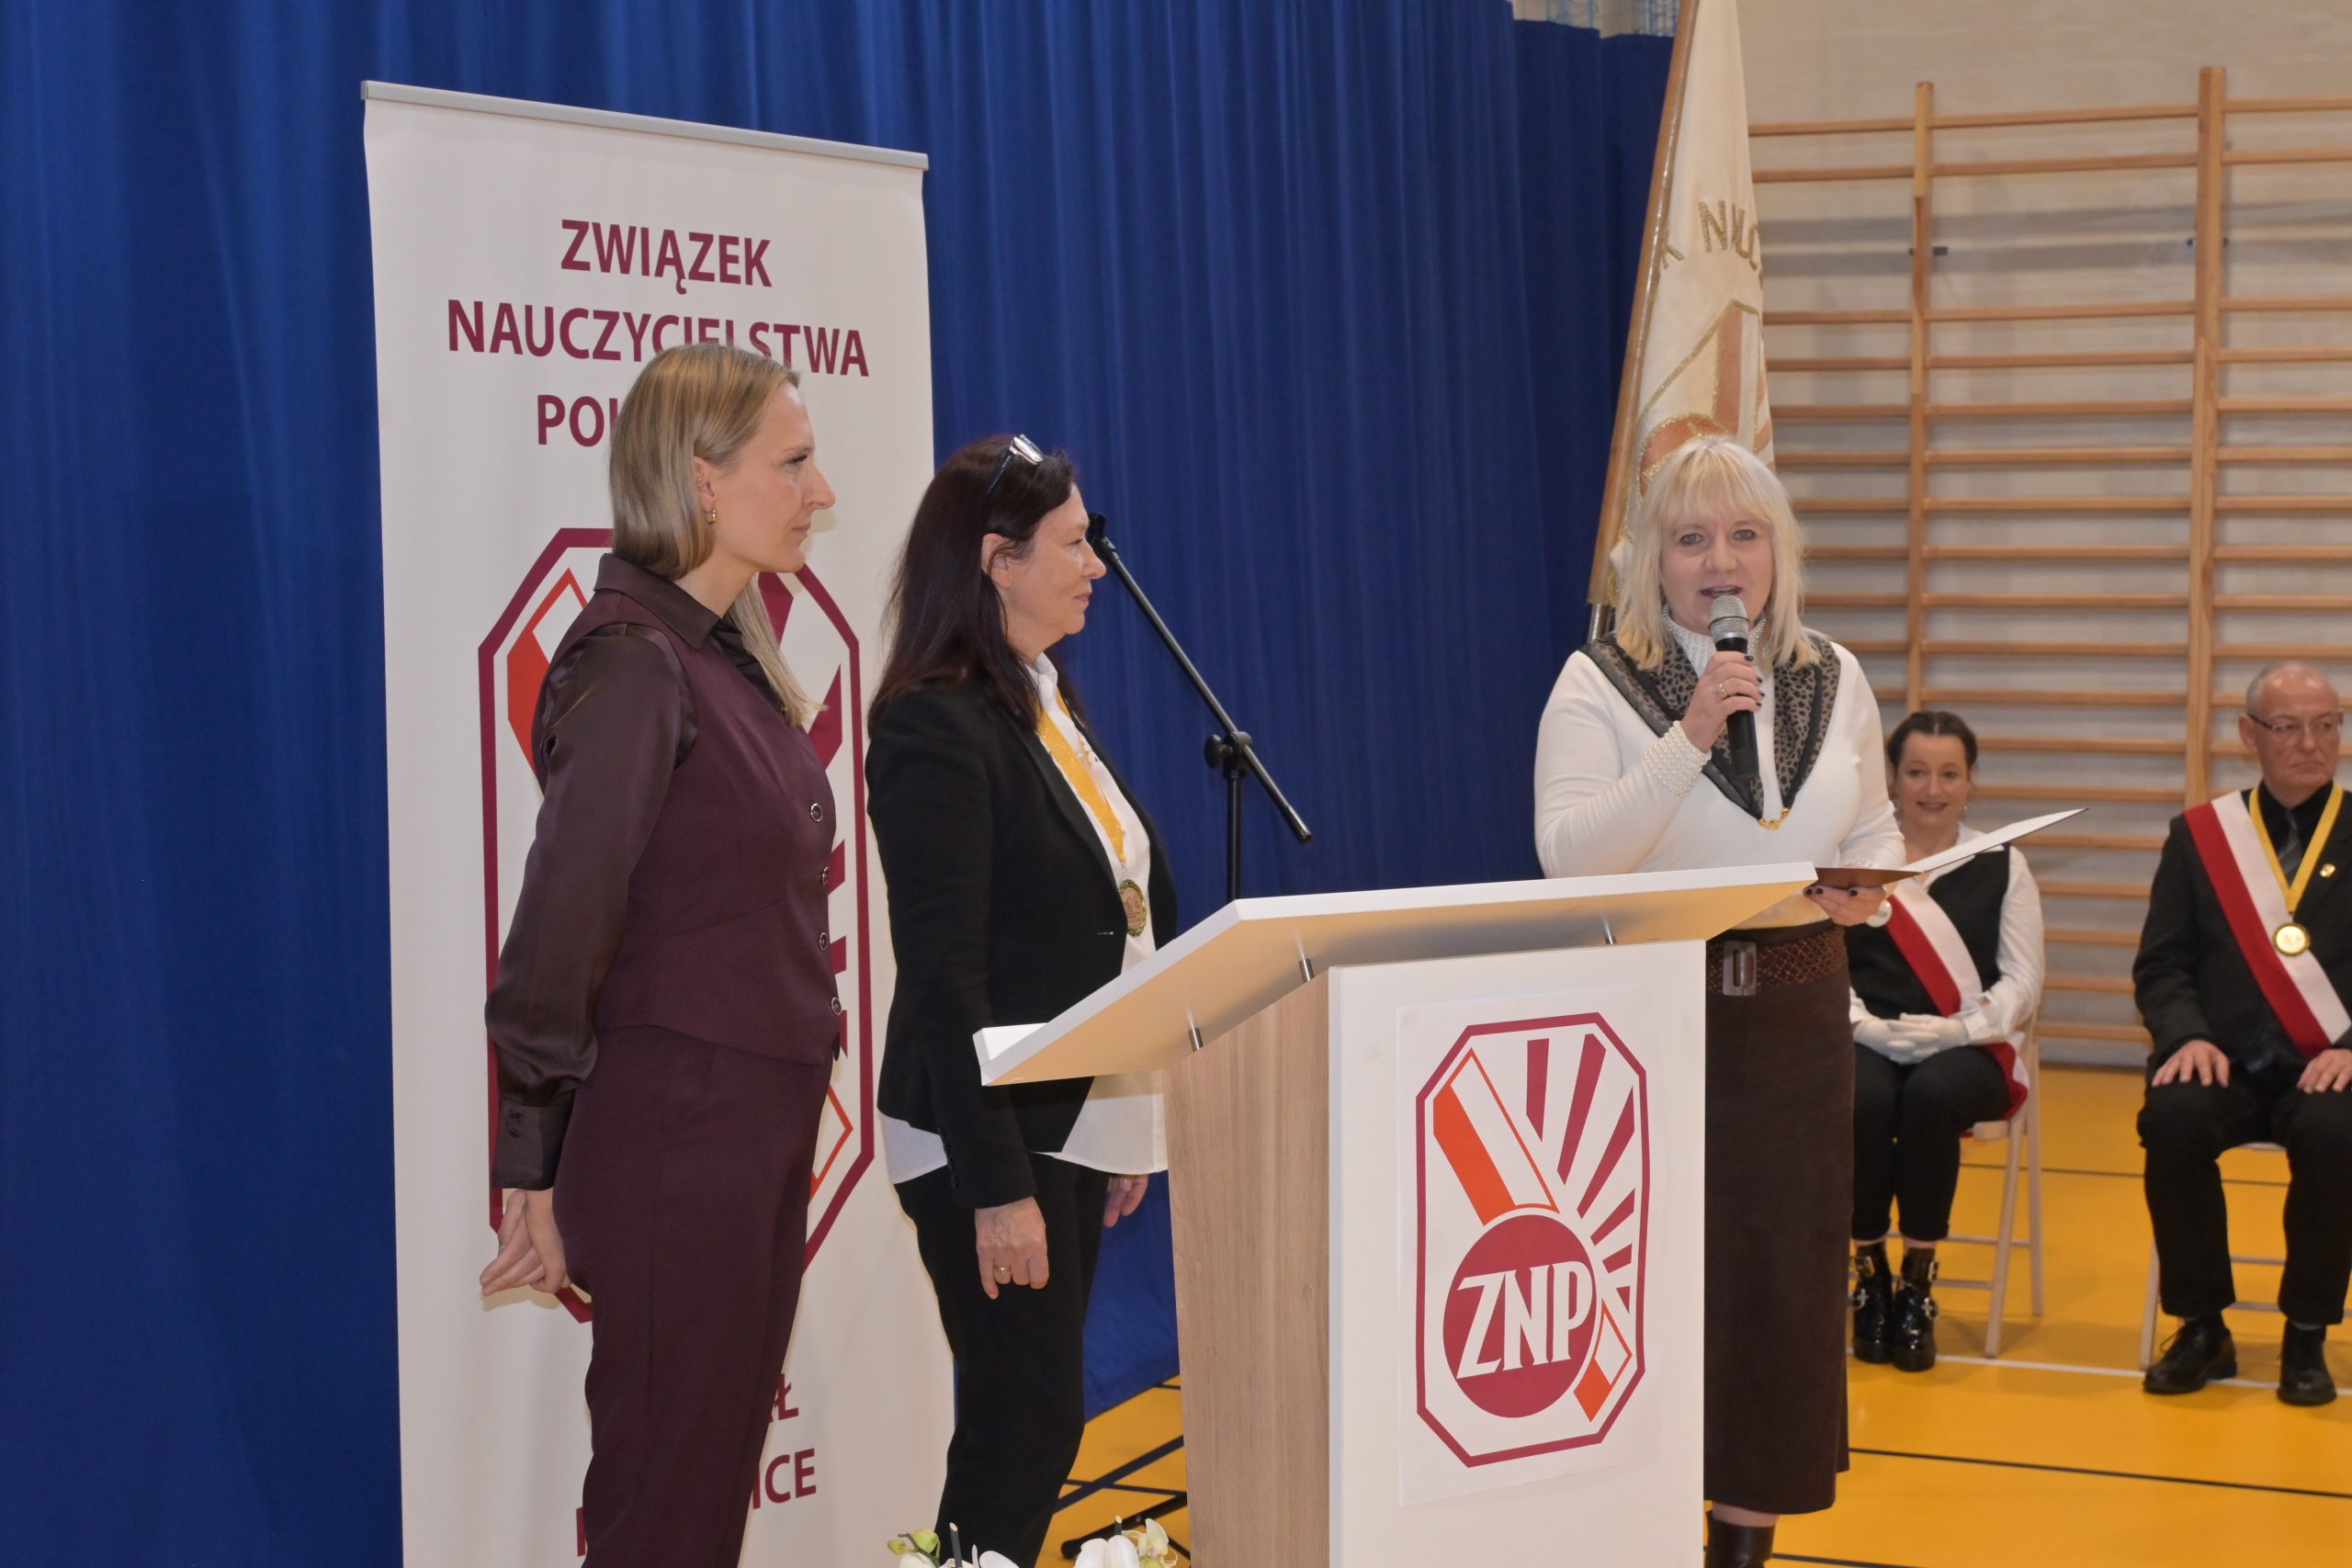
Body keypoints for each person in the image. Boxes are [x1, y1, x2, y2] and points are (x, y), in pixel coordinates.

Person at [475, 342, 845, 1564]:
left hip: (740, 1135)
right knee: (665, 1515)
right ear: (700, 478)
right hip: (678, 1140)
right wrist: (530, 1160)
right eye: (793, 463)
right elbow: (559, 923)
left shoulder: (717, 654)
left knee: (695, 1507)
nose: (821, 492)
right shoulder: (633, 659)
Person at [1534, 434, 1901, 1568]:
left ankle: (1742, 1542)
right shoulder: (1598, 681)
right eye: (1692, 539)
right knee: (1637, 1285)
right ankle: (1628, 1525)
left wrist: (1870, 889)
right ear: (1652, 559)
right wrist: (1689, 734)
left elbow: (1875, 827)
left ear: (1779, 553)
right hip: (1645, 1022)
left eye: (1745, 536)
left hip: (1797, 1022)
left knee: (1779, 1288)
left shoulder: (1834, 676)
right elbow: (1568, 859)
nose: (1721, 562)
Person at [868, 434, 1174, 1567]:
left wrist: (1127, 1105)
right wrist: (997, 1187)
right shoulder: (932, 722)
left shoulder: (1042, 698)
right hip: (982, 1131)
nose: (1096, 566)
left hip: (1069, 1113)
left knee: (1033, 1418)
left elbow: (1115, 916)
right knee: (1025, 1420)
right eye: (1074, 544)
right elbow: (946, 974)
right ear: (997, 561)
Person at [2135, 660, 2352, 1406]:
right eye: (2288, 726)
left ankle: (2307, 1331)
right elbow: (2162, 964)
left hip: (2328, 1066)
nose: (2310, 743)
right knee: (2172, 1118)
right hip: (2223, 1060)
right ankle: (2202, 1327)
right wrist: (2184, 1036)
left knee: (2336, 1133)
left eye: (2327, 725)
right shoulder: (2200, 837)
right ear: (2248, 734)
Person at [1845, 710, 2043, 1372]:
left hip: (1968, 1050)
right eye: (1917, 772)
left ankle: (1917, 1280)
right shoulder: (1857, 859)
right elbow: (1825, 964)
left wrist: (1962, 1029)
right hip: (1867, 1040)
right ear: (1892, 778)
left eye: (1949, 774)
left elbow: (2023, 981)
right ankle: (1869, 1271)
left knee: (1931, 1096)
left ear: (1971, 780)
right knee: (1864, 1098)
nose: (1933, 788)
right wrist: (1862, 1026)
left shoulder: (2004, 864)